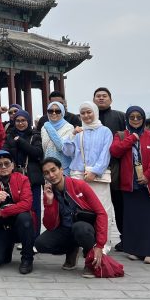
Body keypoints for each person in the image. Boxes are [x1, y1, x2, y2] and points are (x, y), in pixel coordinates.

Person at [109, 106, 150, 264]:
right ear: (127, 119)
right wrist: (132, 139)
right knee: (133, 218)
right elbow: (115, 151)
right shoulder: (120, 135)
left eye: (139, 117)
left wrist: (148, 175)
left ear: (143, 119)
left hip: (148, 184)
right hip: (129, 184)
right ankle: (135, 249)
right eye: (132, 117)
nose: (135, 120)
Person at [35, 157, 108, 278]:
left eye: (53, 170)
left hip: (85, 228)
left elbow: (101, 213)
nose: (51, 175)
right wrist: (49, 202)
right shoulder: (49, 192)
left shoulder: (79, 185)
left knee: (80, 228)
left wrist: (100, 245)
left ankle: (90, 259)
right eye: (46, 173)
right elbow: (49, 225)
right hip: (65, 229)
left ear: (61, 169)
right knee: (40, 244)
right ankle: (72, 249)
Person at [62, 102, 114, 251]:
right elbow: (68, 152)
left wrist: (95, 171)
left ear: (95, 112)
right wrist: (72, 134)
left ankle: (102, 244)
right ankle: (81, 243)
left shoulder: (105, 131)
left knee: (103, 209)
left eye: (89, 112)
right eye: (83, 113)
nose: (86, 115)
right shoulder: (79, 131)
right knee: (78, 209)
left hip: (98, 177)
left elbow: (105, 154)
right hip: (78, 175)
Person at [0, 150, 35, 274]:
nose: (3, 167)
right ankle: (6, 247)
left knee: (25, 218)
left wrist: (2, 212)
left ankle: (27, 258)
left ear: (12, 165)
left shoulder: (23, 179)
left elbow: (26, 204)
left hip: (17, 224)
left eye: (6, 163)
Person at [93, 87, 125, 251]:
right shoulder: (88, 117)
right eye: (98, 96)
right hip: (94, 168)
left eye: (104, 96)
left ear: (111, 99)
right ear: (93, 100)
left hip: (115, 165)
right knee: (96, 204)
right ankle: (97, 238)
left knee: (119, 203)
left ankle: (125, 237)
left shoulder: (120, 116)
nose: (101, 98)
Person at [3, 110, 43, 229]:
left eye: (23, 120)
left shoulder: (35, 135)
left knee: (34, 208)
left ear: (28, 121)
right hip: (16, 176)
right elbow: (5, 153)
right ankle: (22, 235)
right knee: (18, 207)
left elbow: (37, 153)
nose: (20, 123)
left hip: (33, 176)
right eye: (18, 121)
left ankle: (35, 235)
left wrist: (20, 141)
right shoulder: (10, 136)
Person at [40, 101, 76, 175]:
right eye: (50, 111)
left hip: (64, 169)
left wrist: (49, 127)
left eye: (57, 111)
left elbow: (61, 147)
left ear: (62, 112)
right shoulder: (43, 128)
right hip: (48, 169)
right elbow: (44, 149)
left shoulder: (69, 128)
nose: (54, 113)